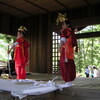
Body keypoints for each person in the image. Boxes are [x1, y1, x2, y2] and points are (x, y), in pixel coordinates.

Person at [59, 20, 78, 86]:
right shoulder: (71, 31)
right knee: (70, 64)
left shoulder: (65, 31)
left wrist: (59, 48)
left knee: (64, 64)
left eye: (64, 24)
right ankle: (70, 80)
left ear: (67, 25)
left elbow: (63, 40)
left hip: (65, 50)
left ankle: (67, 81)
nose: (62, 26)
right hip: (70, 51)